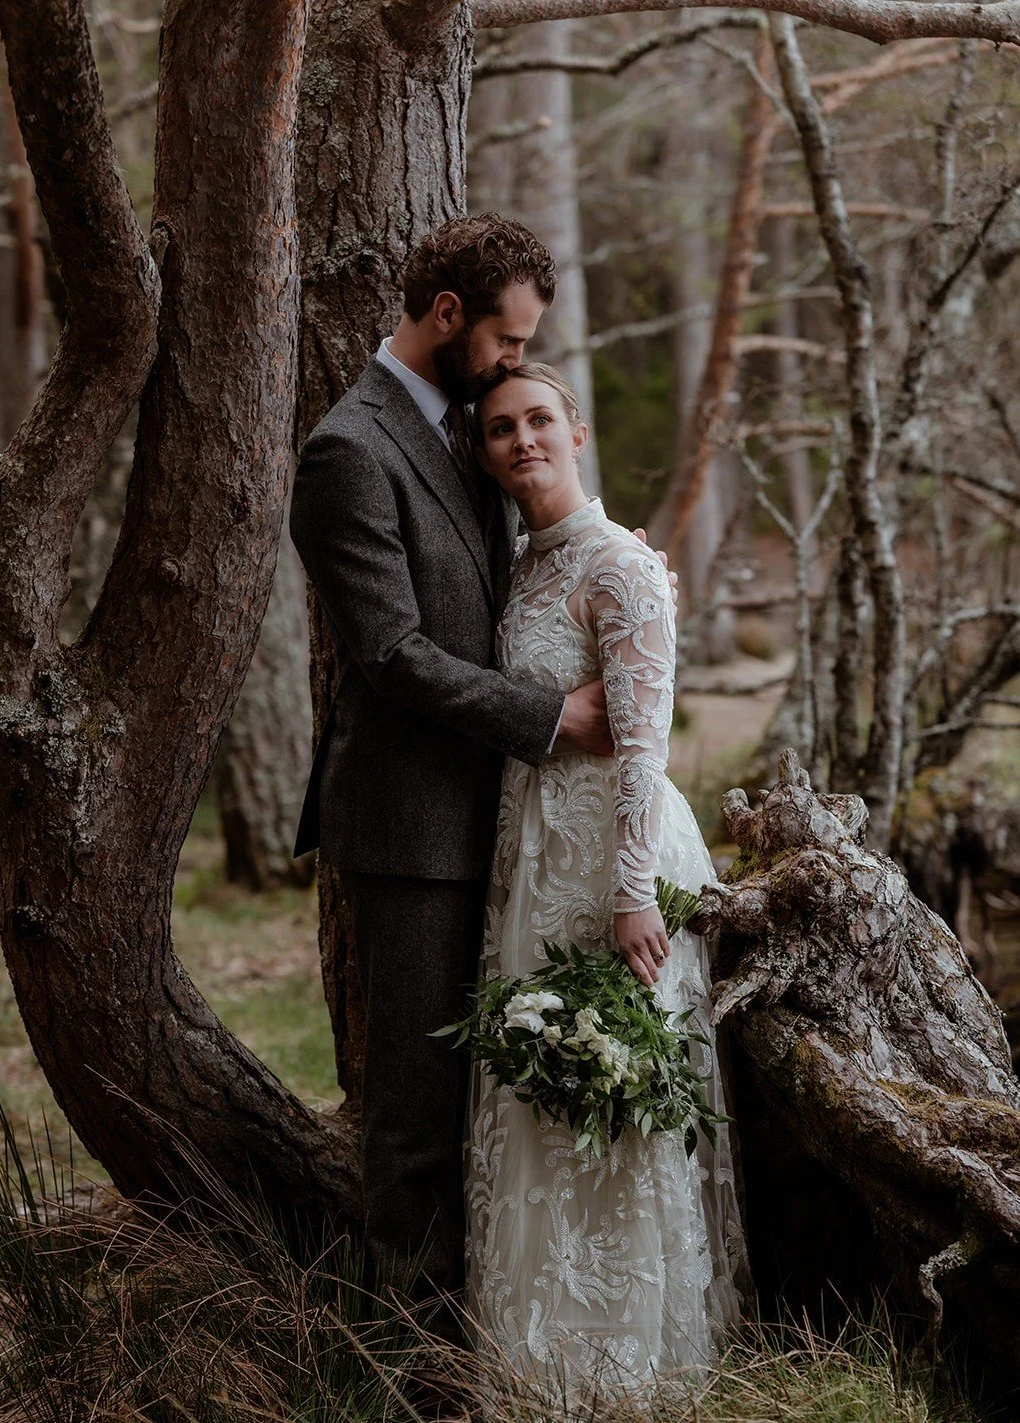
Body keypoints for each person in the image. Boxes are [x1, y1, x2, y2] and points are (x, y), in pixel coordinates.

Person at [289, 216, 665, 1334]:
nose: (514, 363)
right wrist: (551, 714)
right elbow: (393, 653)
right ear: (446, 317)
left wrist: (624, 572)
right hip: (410, 829)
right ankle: (404, 1364)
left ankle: (488, 1331)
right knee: (409, 1116)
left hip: (509, 825)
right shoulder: (348, 450)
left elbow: (540, 556)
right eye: (505, 340)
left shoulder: (464, 428)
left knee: (491, 1099)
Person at [465, 363, 747, 1397]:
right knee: (535, 1087)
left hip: (611, 856)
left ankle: (629, 1365)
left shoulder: (621, 566)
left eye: (539, 419)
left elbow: (642, 749)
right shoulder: (526, 566)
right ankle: (537, 1357)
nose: (521, 440)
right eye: (500, 428)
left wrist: (632, 890)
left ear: (575, 433)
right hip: (533, 853)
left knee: (615, 1091)